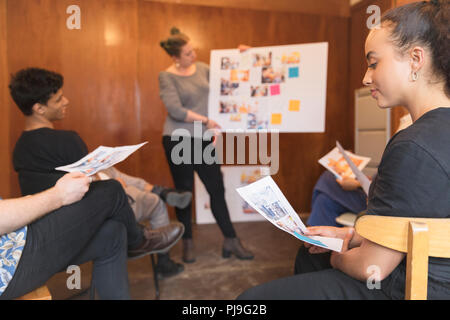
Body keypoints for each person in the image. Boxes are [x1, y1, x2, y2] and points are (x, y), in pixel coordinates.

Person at [238, 0, 450, 299]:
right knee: (311, 255)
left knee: (250, 301)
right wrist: (347, 235)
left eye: (374, 62)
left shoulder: (412, 145)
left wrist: (338, 254)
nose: (365, 77)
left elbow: (372, 267)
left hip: (419, 287)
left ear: (416, 58)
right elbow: (415, 217)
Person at [8, 67, 185, 293]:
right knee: (116, 190)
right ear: (39, 108)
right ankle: (141, 240)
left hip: (44, 225)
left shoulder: (20, 148)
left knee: (115, 229)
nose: (66, 101)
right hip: (72, 223)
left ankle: (138, 234)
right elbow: (92, 185)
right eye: (59, 98)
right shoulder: (66, 140)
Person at [0, 172, 180, 300]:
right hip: (9, 263)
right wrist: (59, 195)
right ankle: (139, 241)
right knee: (111, 191)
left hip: (12, 241)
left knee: (113, 233)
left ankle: (136, 240)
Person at [159, 27, 253, 263]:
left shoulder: (202, 69)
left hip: (202, 139)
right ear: (175, 58)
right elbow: (175, 110)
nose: (194, 55)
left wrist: (245, 56)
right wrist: (206, 121)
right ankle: (187, 242)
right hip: (178, 138)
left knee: (216, 189)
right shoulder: (166, 76)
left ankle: (230, 239)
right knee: (185, 192)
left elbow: (228, 78)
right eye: (188, 53)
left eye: (193, 50)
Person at [98, 166, 191, 278]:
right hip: (111, 208)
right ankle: (160, 260)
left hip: (109, 187)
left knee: (109, 170)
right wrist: (113, 185)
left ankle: (162, 191)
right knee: (151, 200)